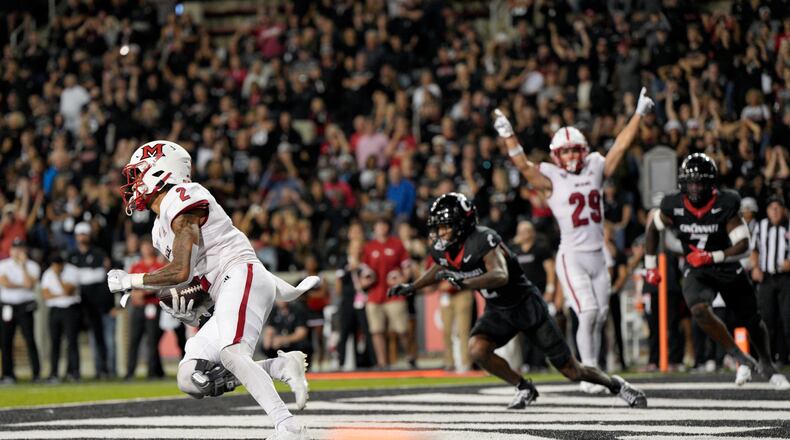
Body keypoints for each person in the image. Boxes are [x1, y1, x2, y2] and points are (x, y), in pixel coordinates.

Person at [106, 140, 316, 439]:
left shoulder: (184, 195)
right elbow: (190, 279)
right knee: (190, 378)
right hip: (223, 285)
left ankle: (289, 427)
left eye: (139, 173)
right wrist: (188, 309)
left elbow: (180, 269)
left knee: (232, 352)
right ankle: (280, 365)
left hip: (242, 271)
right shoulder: (158, 229)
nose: (135, 183)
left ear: (160, 172)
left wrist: (133, 280)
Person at [388, 193, 647, 409]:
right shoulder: (445, 248)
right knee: (477, 349)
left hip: (525, 305)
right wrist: (412, 286)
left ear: (464, 224)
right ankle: (524, 387)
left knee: (571, 370)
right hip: (499, 310)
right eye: (438, 227)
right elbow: (439, 267)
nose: (441, 232)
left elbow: (500, 275)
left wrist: (464, 282)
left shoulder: (483, 239)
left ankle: (616, 384)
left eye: (446, 226)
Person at [494, 88, 654, 393]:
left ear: (583, 150)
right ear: (557, 155)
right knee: (588, 312)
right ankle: (589, 371)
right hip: (572, 255)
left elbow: (620, 146)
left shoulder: (595, 164)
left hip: (598, 256)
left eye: (574, 150)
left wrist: (638, 113)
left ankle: (591, 365)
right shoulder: (552, 177)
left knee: (601, 315)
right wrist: (509, 134)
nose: (570, 156)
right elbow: (522, 165)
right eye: (564, 151)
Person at [644, 153, 790, 390]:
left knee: (752, 319)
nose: (695, 188)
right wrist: (650, 266)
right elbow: (653, 228)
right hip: (697, 269)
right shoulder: (673, 204)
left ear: (711, 183)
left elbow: (744, 245)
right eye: (691, 182)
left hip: (725, 264)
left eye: (700, 182)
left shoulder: (726, 202)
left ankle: (767, 364)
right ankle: (740, 357)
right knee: (699, 310)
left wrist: (712, 256)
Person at [69, 221, 114, 379]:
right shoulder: (71, 255)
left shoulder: (98, 253)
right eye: (80, 234)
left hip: (96, 303)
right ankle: (73, 371)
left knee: (100, 337)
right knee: (71, 337)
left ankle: (102, 369)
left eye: (85, 234)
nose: (82, 237)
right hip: (77, 303)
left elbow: (103, 277)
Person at [750, 195, 790, 367]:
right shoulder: (761, 226)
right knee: (766, 318)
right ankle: (767, 357)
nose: (775, 211)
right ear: (767, 211)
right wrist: (755, 267)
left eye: (778, 207)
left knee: (787, 318)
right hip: (766, 278)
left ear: (783, 210)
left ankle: (784, 356)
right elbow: (754, 249)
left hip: (786, 278)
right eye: (771, 208)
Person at [0, 239, 41, 383]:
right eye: (15, 248)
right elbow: (4, 283)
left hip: (25, 307)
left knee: (30, 339)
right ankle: (8, 374)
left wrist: (23, 267)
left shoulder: (32, 266)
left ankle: (36, 374)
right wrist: (21, 285)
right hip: (8, 306)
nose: (17, 252)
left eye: (20, 248)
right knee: (6, 341)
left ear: (25, 250)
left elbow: (29, 284)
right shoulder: (3, 264)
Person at [125, 240, 167, 379]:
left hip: (153, 306)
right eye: (144, 246)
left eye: (148, 246)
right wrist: (134, 295)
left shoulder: (159, 266)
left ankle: (152, 371)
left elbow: (161, 284)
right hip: (138, 307)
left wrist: (144, 292)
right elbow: (129, 285)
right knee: (134, 339)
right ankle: (130, 371)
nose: (146, 249)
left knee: (152, 339)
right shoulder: (136, 266)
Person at [41, 253, 81, 382]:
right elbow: (46, 295)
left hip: (70, 309)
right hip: (55, 310)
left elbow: (68, 290)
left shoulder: (72, 271)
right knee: (55, 342)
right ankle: (54, 373)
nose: (56, 267)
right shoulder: (47, 274)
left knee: (72, 341)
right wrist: (60, 295)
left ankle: (74, 372)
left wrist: (58, 277)